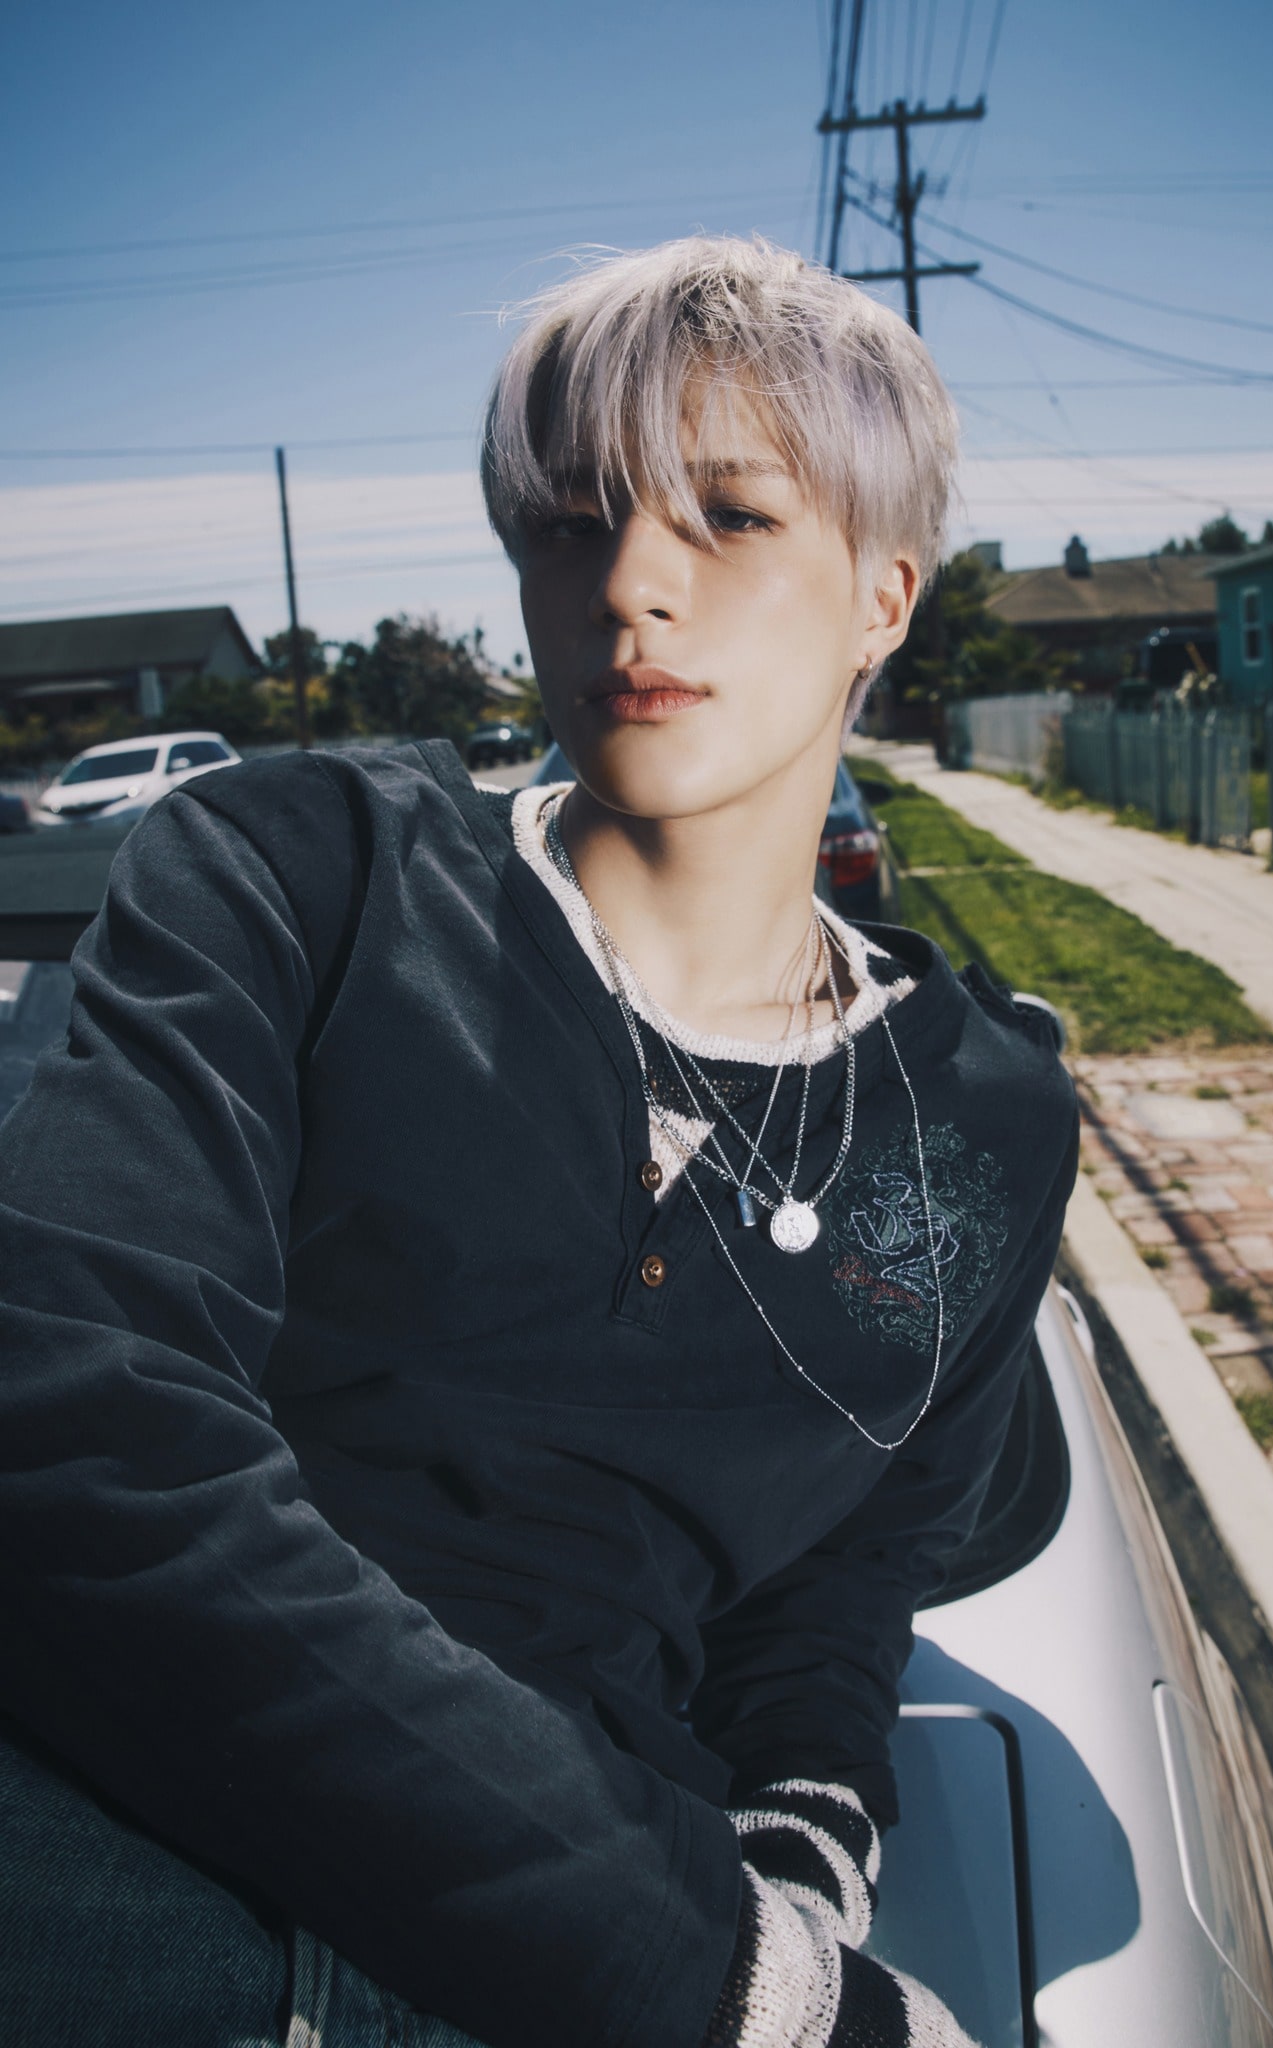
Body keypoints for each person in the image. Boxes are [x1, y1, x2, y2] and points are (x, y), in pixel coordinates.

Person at [0, 236, 1077, 2048]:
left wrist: (797, 1863)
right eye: (571, 523)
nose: (629, 586)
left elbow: (842, 1577)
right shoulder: (298, 874)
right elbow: (80, 1425)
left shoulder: (980, 1121)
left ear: (882, 598)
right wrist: (729, 1982)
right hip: (105, 1878)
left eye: (730, 516)